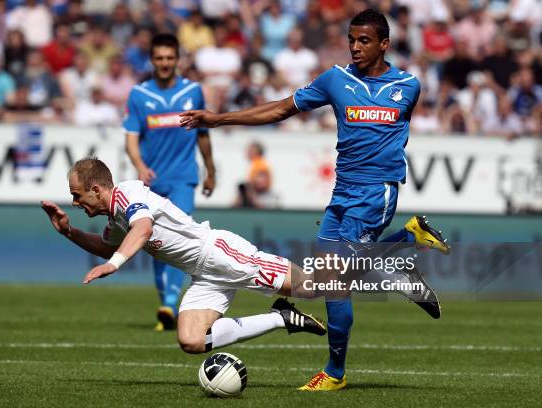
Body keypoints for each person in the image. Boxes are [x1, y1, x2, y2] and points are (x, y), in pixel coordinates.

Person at [180, 9, 450, 391]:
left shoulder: (408, 86)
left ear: (384, 44)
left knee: (335, 279)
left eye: (365, 41)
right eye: (352, 39)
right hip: (341, 192)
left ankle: (336, 373)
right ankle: (407, 241)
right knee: (326, 280)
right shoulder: (335, 80)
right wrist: (220, 119)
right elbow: (280, 108)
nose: (355, 47)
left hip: (376, 193)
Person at [41, 158, 326, 355]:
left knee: (312, 287)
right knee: (191, 341)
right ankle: (281, 318)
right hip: (202, 275)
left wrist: (113, 265)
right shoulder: (116, 218)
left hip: (221, 255)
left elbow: (143, 227)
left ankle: (359, 256)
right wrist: (69, 232)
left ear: (96, 189)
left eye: (77, 195)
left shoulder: (128, 193)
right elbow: (106, 246)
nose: (75, 203)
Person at [123, 33, 216, 332]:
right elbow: (131, 138)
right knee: (152, 241)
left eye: (169, 58)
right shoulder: (139, 95)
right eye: (159, 58)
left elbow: (203, 134)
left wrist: (210, 169)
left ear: (178, 60)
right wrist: (140, 166)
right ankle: (166, 302)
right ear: (152, 60)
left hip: (183, 179)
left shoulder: (193, 91)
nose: (164, 63)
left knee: (181, 235)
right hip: (152, 181)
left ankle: (171, 301)